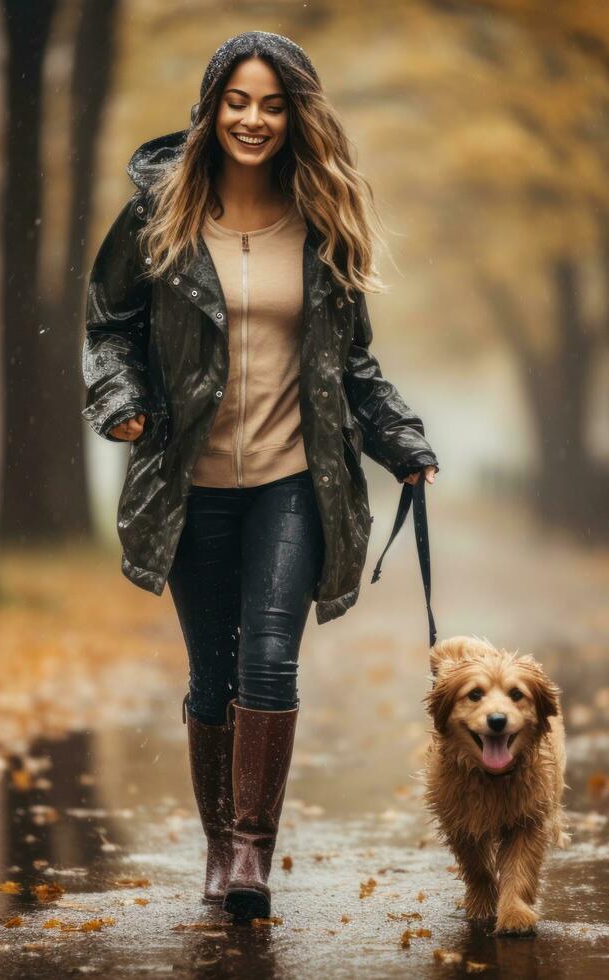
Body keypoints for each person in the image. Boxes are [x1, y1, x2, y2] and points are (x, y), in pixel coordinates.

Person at [81, 31, 439, 921]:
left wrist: (401, 439)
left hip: (291, 477)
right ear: (210, 111)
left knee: (269, 661)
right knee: (212, 673)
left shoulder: (320, 221)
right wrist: (120, 396)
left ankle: (250, 855)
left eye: (273, 104)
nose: (254, 119)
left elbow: (351, 367)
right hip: (189, 478)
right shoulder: (155, 216)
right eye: (238, 101)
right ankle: (215, 848)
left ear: (296, 115)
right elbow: (107, 326)